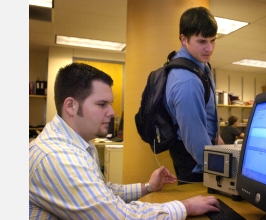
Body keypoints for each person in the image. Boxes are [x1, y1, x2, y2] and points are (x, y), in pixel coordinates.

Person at [29, 63, 220, 219]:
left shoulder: (77, 144)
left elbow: (102, 193)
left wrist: (148, 187)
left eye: (110, 104)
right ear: (71, 106)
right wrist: (185, 206)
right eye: (102, 104)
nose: (111, 112)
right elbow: (119, 217)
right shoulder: (58, 157)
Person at [165, 6, 224, 185]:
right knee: (204, 209)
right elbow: (194, 136)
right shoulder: (187, 81)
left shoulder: (200, 65)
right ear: (184, 39)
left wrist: (217, 137)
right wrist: (218, 170)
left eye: (213, 40)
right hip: (195, 158)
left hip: (205, 148)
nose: (209, 48)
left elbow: (209, 110)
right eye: (202, 41)